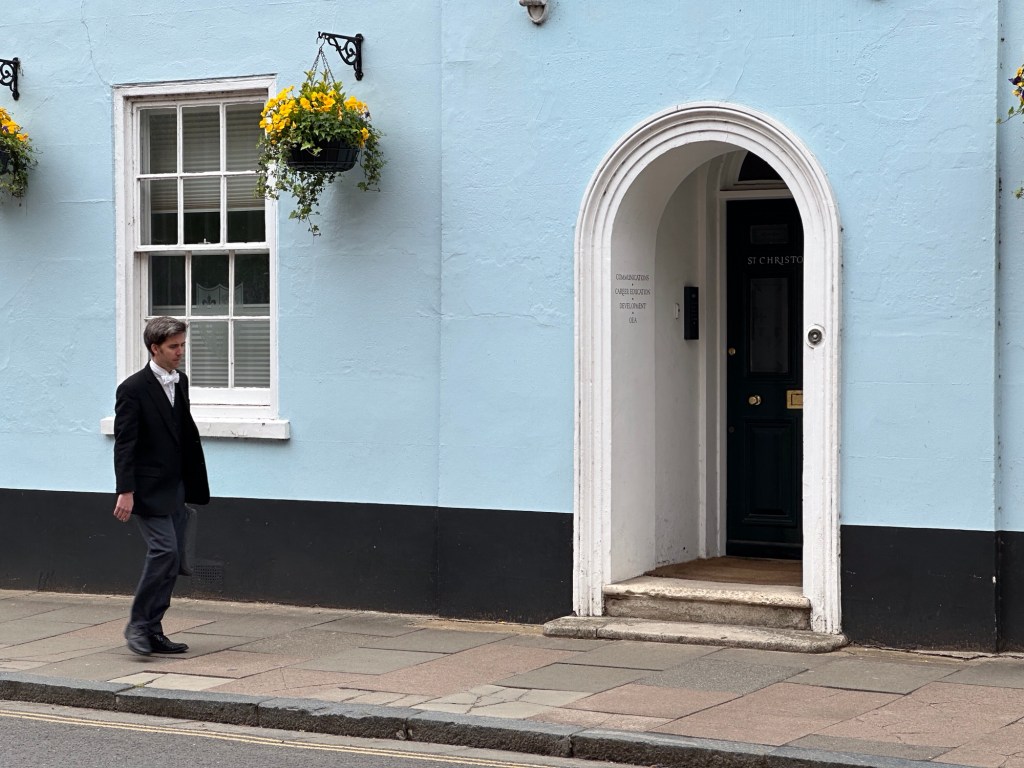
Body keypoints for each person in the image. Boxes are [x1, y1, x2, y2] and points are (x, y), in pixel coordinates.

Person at [113, 316, 209, 656]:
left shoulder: (180, 381)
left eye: (182, 345)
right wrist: (125, 490)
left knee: (174, 559)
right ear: (155, 349)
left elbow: (180, 432)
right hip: (147, 488)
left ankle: (153, 630)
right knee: (164, 551)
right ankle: (137, 624)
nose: (180, 352)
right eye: (174, 347)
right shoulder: (132, 389)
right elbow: (125, 443)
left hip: (177, 486)